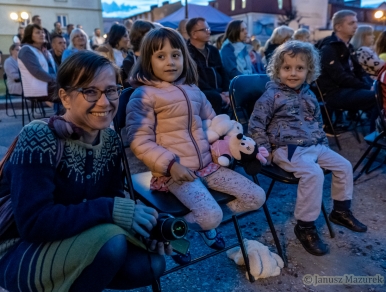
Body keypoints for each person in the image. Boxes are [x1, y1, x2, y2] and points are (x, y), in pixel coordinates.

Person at [0, 51, 169, 291]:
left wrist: (150, 225)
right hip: (17, 248)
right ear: (65, 98)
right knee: (112, 243)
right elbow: (33, 222)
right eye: (89, 91)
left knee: (150, 264)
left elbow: (113, 199)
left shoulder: (109, 140)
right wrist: (110, 209)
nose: (104, 102)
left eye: (111, 90)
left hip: (69, 238)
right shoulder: (39, 136)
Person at [126, 27, 266, 263]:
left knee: (256, 197)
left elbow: (214, 123)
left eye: (176, 55)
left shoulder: (195, 91)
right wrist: (170, 165)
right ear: (147, 61)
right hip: (176, 173)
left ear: (184, 57)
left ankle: (187, 224)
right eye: (161, 56)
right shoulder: (144, 96)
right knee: (211, 216)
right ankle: (175, 232)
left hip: (208, 165)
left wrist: (233, 142)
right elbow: (139, 140)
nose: (170, 62)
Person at [248, 40, 367, 256]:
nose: (293, 73)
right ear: (277, 70)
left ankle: (340, 211)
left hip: (314, 145)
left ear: (309, 71)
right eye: (287, 68)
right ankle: (305, 226)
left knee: (344, 165)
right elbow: (256, 124)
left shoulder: (309, 94)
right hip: (287, 148)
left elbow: (316, 122)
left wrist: (323, 144)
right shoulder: (271, 96)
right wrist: (264, 150)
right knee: (313, 174)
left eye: (299, 68)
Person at [316, 10, 376, 131]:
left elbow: (360, 72)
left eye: (356, 22)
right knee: (377, 96)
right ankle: (377, 135)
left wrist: (373, 84)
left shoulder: (349, 46)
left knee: (380, 92)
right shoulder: (329, 47)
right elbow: (340, 77)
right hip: (334, 93)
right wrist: (367, 87)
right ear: (338, 27)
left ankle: (377, 131)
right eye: (351, 23)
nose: (356, 26)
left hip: (348, 89)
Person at [186, 17, 230, 115]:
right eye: (204, 30)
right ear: (194, 34)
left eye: (208, 29)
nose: (209, 32)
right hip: (202, 91)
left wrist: (226, 91)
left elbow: (222, 71)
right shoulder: (187, 53)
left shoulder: (213, 50)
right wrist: (218, 94)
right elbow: (195, 78)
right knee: (214, 97)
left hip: (219, 91)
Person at [18, 24, 56, 102]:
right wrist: (55, 79)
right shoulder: (26, 50)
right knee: (70, 92)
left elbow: (55, 68)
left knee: (74, 89)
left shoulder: (45, 51)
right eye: (37, 32)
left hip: (51, 85)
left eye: (43, 32)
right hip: (39, 89)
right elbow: (37, 72)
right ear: (29, 35)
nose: (42, 34)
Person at [122, 20, 155, 87]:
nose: (154, 38)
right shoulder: (129, 61)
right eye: (149, 35)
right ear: (138, 37)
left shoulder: (155, 56)